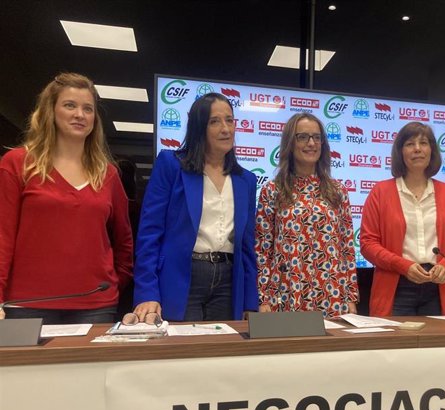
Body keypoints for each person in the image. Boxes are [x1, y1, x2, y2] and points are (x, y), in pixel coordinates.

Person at [0, 72, 133, 324]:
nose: (79, 115)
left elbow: (124, 240)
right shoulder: (17, 164)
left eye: (88, 109)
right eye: (69, 105)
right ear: (51, 111)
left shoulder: (108, 174)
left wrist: (114, 282)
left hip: (95, 304)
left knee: (94, 366)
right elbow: (2, 235)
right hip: (27, 304)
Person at [133, 93, 258, 322]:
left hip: (228, 282)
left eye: (229, 120)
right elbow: (150, 234)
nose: (225, 129)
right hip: (182, 275)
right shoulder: (171, 165)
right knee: (183, 351)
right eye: (215, 121)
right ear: (199, 127)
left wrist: (251, 302)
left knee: (222, 353)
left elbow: (248, 247)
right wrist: (146, 291)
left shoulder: (246, 180)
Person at [360, 122, 445, 316]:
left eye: (423, 143)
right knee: (394, 345)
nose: (417, 149)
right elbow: (368, 244)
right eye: (410, 144)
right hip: (396, 286)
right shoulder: (380, 192)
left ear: (432, 151)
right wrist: (404, 266)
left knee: (439, 345)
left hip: (439, 286)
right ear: (400, 152)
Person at [255, 112, 359, 317]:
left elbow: (347, 248)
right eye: (303, 137)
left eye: (316, 137)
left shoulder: (337, 191)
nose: (311, 143)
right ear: (289, 144)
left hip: (331, 294)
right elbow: (262, 250)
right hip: (286, 293)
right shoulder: (272, 191)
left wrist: (350, 297)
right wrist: (263, 298)